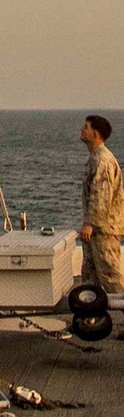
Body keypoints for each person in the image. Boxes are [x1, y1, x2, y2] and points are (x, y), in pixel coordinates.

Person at [80, 115, 124, 296]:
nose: (82, 130)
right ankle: (93, 318)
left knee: (110, 276)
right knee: (91, 277)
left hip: (104, 230)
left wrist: (90, 223)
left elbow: (101, 195)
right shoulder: (95, 157)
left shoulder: (103, 160)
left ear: (95, 133)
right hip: (97, 230)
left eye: (86, 127)